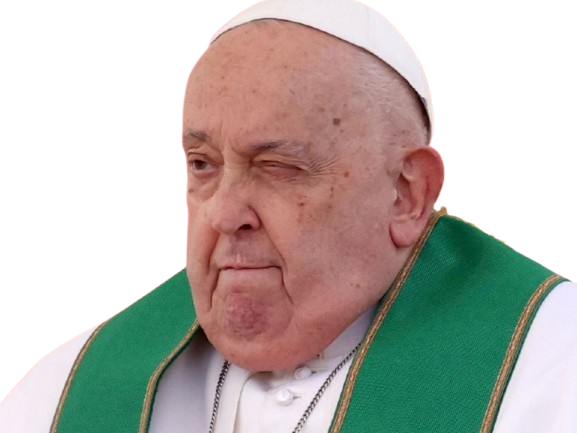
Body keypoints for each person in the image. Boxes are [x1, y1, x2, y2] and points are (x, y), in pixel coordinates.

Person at [1, 0, 575, 432]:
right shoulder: (59, 393)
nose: (225, 213)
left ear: (406, 193)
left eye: (277, 167)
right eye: (202, 165)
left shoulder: (553, 365)